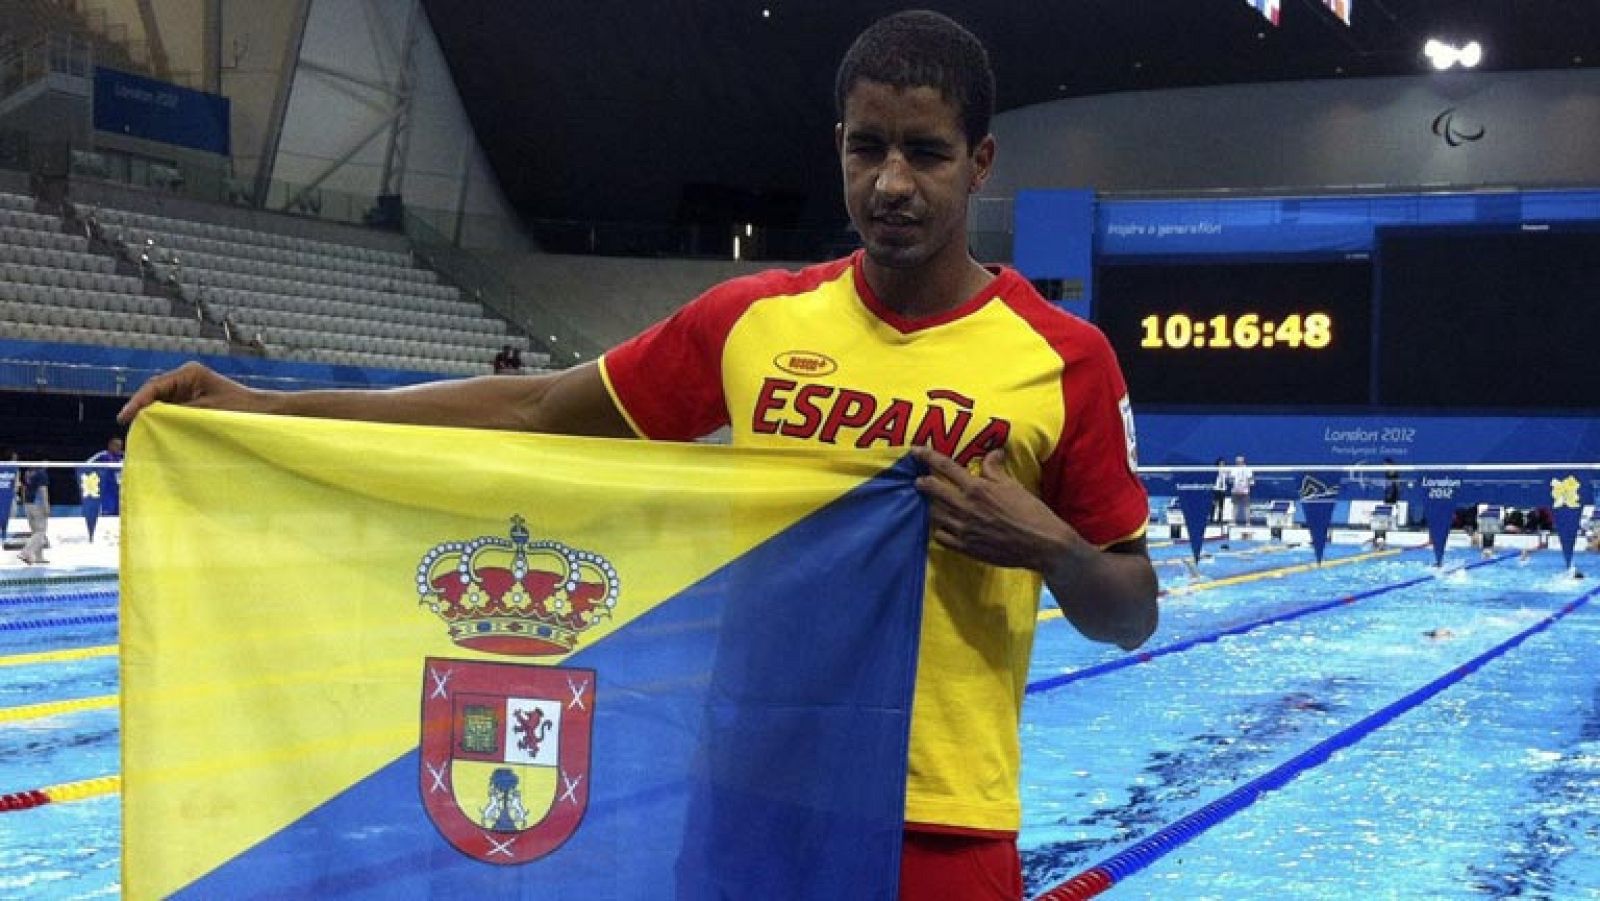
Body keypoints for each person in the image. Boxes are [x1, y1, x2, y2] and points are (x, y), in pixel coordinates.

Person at [118, 11, 1158, 897]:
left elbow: (1130, 609)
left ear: (979, 162)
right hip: (748, 792)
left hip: (939, 818)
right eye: (864, 147)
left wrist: (1054, 550)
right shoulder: (752, 322)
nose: (889, 183)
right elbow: (533, 410)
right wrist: (266, 404)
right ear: (837, 146)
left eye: (924, 152)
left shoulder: (1061, 360)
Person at [18, 457, 49, 566]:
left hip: (27, 504)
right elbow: (43, 490)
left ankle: (39, 557)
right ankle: (25, 552)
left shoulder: (28, 473)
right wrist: (46, 505)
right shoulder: (42, 474)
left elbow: (24, 489)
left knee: (36, 532)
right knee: (40, 532)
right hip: (37, 504)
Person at [1229, 454, 1254, 527]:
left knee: (1246, 507)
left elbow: (1250, 479)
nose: (1238, 463)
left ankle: (1248, 522)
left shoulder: (1248, 469)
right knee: (1235, 506)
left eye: (1240, 461)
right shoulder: (1233, 469)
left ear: (1243, 461)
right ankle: (1233, 521)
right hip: (1235, 490)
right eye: (1237, 461)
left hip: (1245, 491)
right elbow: (1231, 480)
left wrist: (1246, 487)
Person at [1211, 456, 1227, 524]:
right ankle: (1211, 518)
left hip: (1222, 489)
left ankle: (1220, 519)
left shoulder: (1226, 471)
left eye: (1223, 463)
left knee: (1221, 505)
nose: (1222, 465)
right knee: (1214, 504)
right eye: (1221, 463)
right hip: (1216, 489)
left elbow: (1227, 479)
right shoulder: (1214, 470)